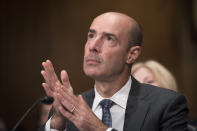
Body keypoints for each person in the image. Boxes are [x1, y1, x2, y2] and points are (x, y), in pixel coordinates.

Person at [39, 12, 188, 131]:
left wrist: (98, 129)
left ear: (132, 54)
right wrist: (56, 125)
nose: (93, 46)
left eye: (109, 38)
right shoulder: (69, 108)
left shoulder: (166, 105)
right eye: (91, 36)